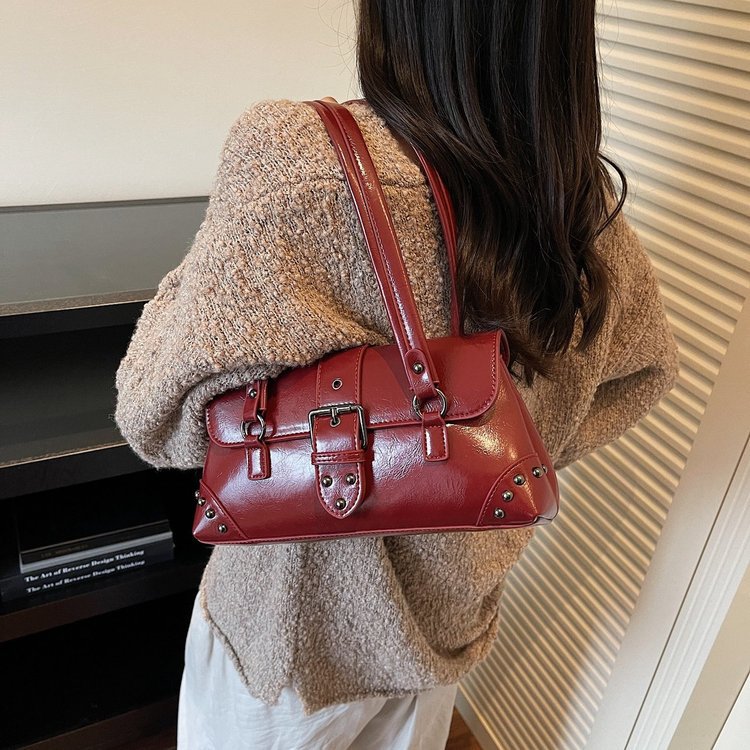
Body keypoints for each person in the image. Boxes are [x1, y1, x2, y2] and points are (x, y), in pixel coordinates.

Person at [113, 1, 680, 747]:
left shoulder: (292, 161)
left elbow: (156, 416)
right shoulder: (577, 199)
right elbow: (645, 371)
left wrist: (194, 281)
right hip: (447, 627)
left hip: (290, 653)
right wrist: (498, 444)